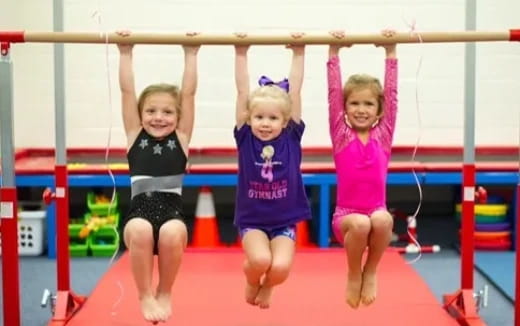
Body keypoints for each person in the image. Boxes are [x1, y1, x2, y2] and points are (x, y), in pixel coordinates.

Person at [116, 30, 199, 323]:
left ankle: (165, 291)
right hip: (138, 213)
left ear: (178, 117)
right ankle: (144, 294)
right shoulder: (133, 134)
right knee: (139, 230)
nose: (158, 117)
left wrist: (191, 53)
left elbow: (188, 94)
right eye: (150, 110)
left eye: (167, 112)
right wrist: (125, 53)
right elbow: (128, 92)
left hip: (172, 213)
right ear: (140, 114)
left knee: (172, 232)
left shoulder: (182, 137)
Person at [233, 33, 311, 309]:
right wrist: (241, 53)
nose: (265, 123)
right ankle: (252, 279)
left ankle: (267, 285)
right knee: (260, 261)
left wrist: (299, 53)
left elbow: (296, 91)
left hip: (284, 220)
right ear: (249, 117)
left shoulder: (290, 137)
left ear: (285, 120)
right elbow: (243, 93)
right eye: (259, 117)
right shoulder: (246, 138)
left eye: (273, 118)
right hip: (252, 219)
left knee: (279, 268)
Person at [327, 29, 398, 308]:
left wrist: (391, 52)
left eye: (368, 103)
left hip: (376, 211)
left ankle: (371, 270)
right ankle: (354, 272)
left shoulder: (384, 134)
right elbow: (333, 94)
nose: (361, 109)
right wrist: (333, 53)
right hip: (346, 218)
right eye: (354, 103)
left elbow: (392, 96)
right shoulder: (341, 135)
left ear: (379, 110)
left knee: (382, 220)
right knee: (361, 223)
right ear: (345, 108)